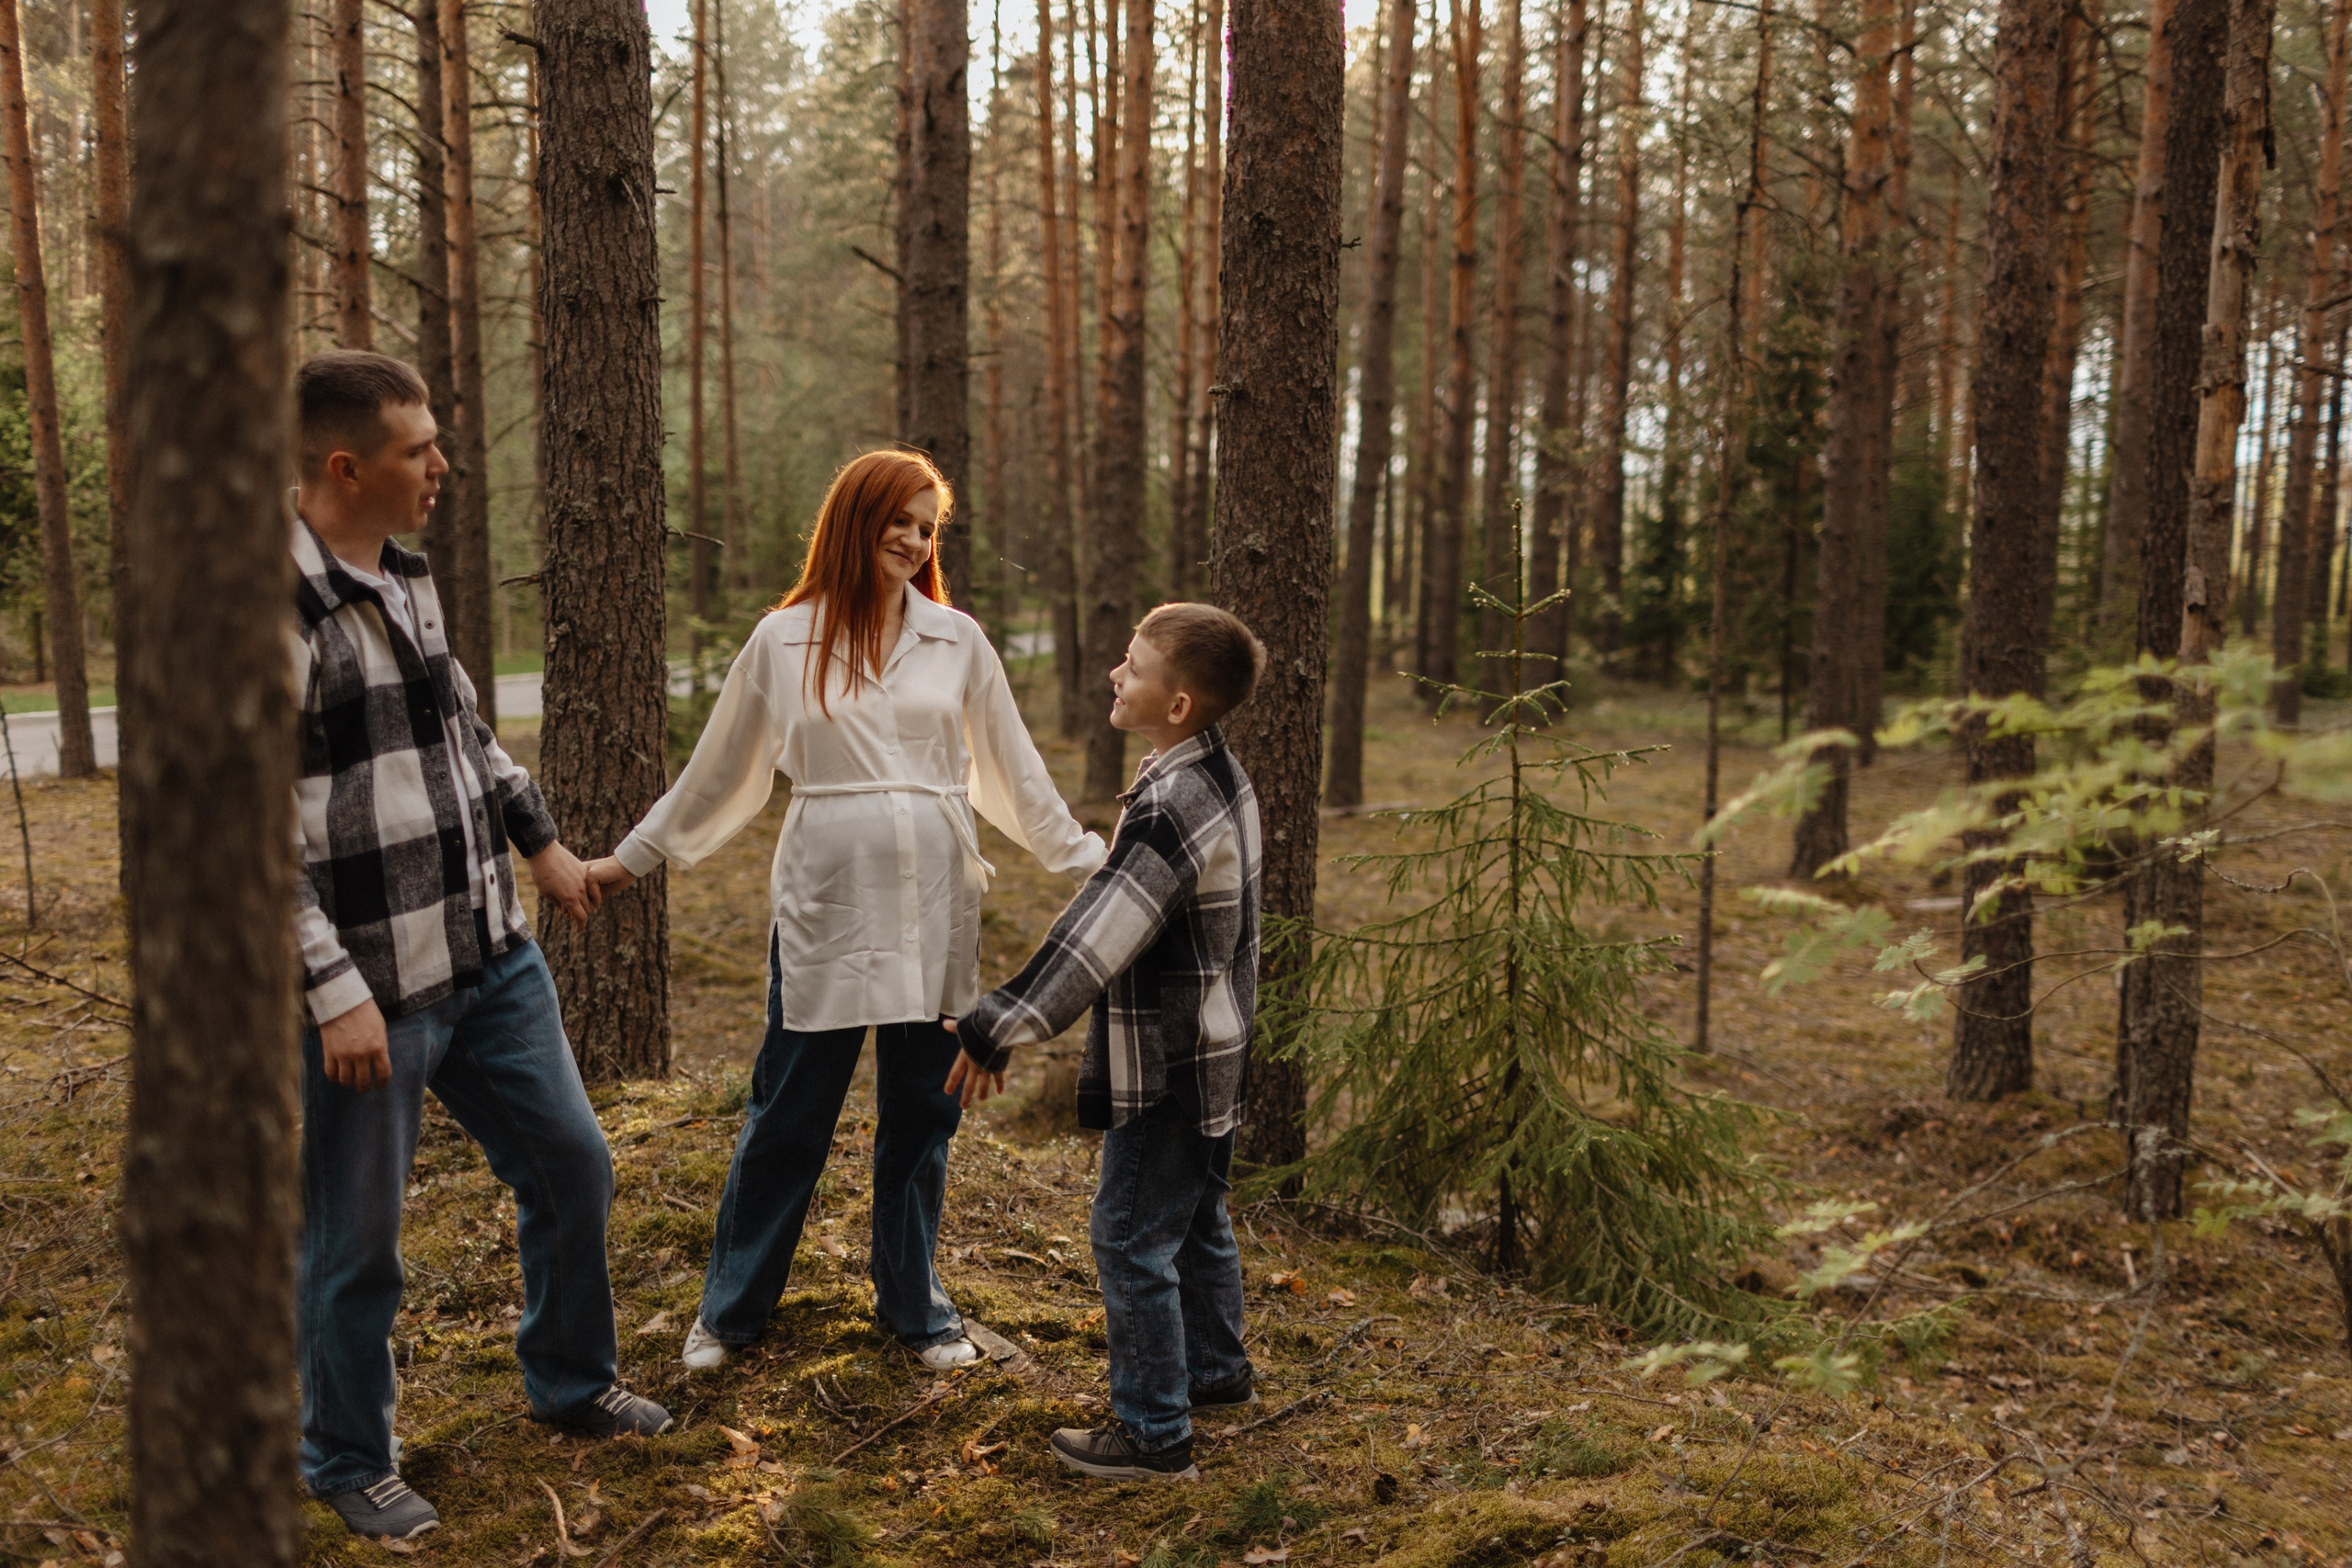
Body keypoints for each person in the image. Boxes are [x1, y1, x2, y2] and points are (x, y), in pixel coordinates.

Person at [584, 449, 1104, 1374]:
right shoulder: (783, 640)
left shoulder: (957, 640)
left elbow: (1012, 774)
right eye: (896, 519)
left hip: (937, 899)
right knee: (790, 1108)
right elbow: (717, 772)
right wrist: (628, 863)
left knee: (922, 1110)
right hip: (827, 905)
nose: (911, 539)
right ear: (852, 520)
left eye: (926, 526)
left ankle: (917, 1307)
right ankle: (732, 1311)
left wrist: (1092, 865)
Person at [288, 351, 671, 1544]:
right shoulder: (271, 612)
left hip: (489, 954)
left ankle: (570, 1379)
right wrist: (333, 988)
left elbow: (464, 735)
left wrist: (544, 847)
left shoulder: (405, 575)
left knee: (573, 1163)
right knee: (359, 1242)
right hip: (374, 986)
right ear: (347, 466)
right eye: (419, 448)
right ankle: (347, 1455)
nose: (442, 465)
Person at [945, 603, 1267, 1483]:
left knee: (1130, 1237)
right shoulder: (1219, 773)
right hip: (1216, 1050)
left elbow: (1097, 935)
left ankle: (1155, 1433)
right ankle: (1216, 1371)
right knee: (1196, 1216)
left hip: (1166, 1064)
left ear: (1177, 701)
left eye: (1132, 665)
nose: (1114, 675)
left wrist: (995, 1022)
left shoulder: (1171, 804)